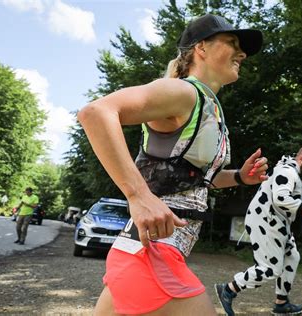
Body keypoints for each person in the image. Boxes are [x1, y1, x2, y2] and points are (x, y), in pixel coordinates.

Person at [78, 14, 267, 316]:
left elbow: (191, 181)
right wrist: (138, 196)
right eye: (232, 43)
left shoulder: (208, 106)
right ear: (201, 48)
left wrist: (241, 178)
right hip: (153, 254)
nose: (242, 53)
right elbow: (96, 113)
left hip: (141, 252)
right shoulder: (182, 92)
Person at [214, 146, 302, 316]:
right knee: (270, 269)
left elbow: (288, 200)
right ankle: (228, 289)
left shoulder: (296, 176)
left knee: (292, 256)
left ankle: (281, 303)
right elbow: (280, 198)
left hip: (276, 223)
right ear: (301, 159)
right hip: (266, 222)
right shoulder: (287, 171)